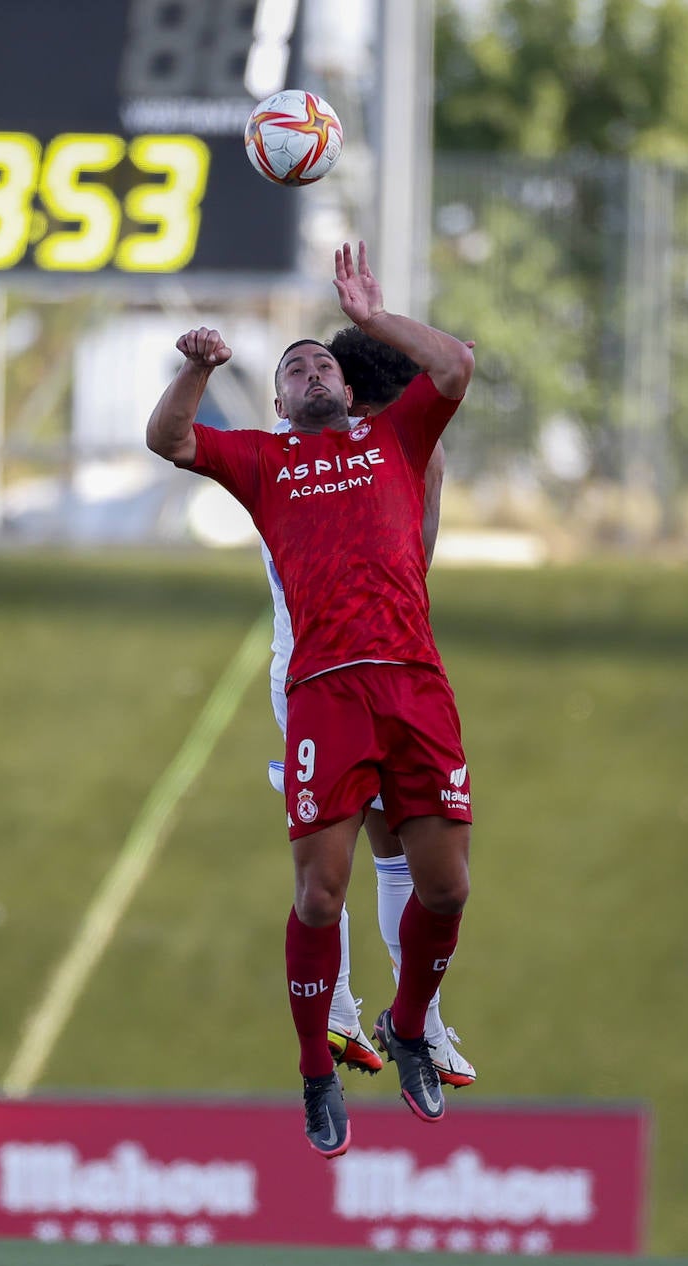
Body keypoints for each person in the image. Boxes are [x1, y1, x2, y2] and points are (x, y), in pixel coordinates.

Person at [146, 240, 475, 1159]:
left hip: (413, 683)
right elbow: (170, 441)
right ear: (280, 403)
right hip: (325, 694)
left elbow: (454, 365)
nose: (310, 366)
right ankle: (316, 1072)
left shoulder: (396, 438)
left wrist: (372, 319)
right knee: (321, 896)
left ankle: (411, 1026)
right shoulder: (263, 461)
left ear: (350, 388)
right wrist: (199, 368)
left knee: (445, 887)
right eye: (293, 368)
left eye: (324, 358)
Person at [263, 324, 476, 1089]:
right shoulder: (293, 460)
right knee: (340, 861)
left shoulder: (376, 451)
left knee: (403, 856)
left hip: (382, 666)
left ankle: (396, 1017)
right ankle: (347, 1013)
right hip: (318, 671)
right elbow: (417, 558)